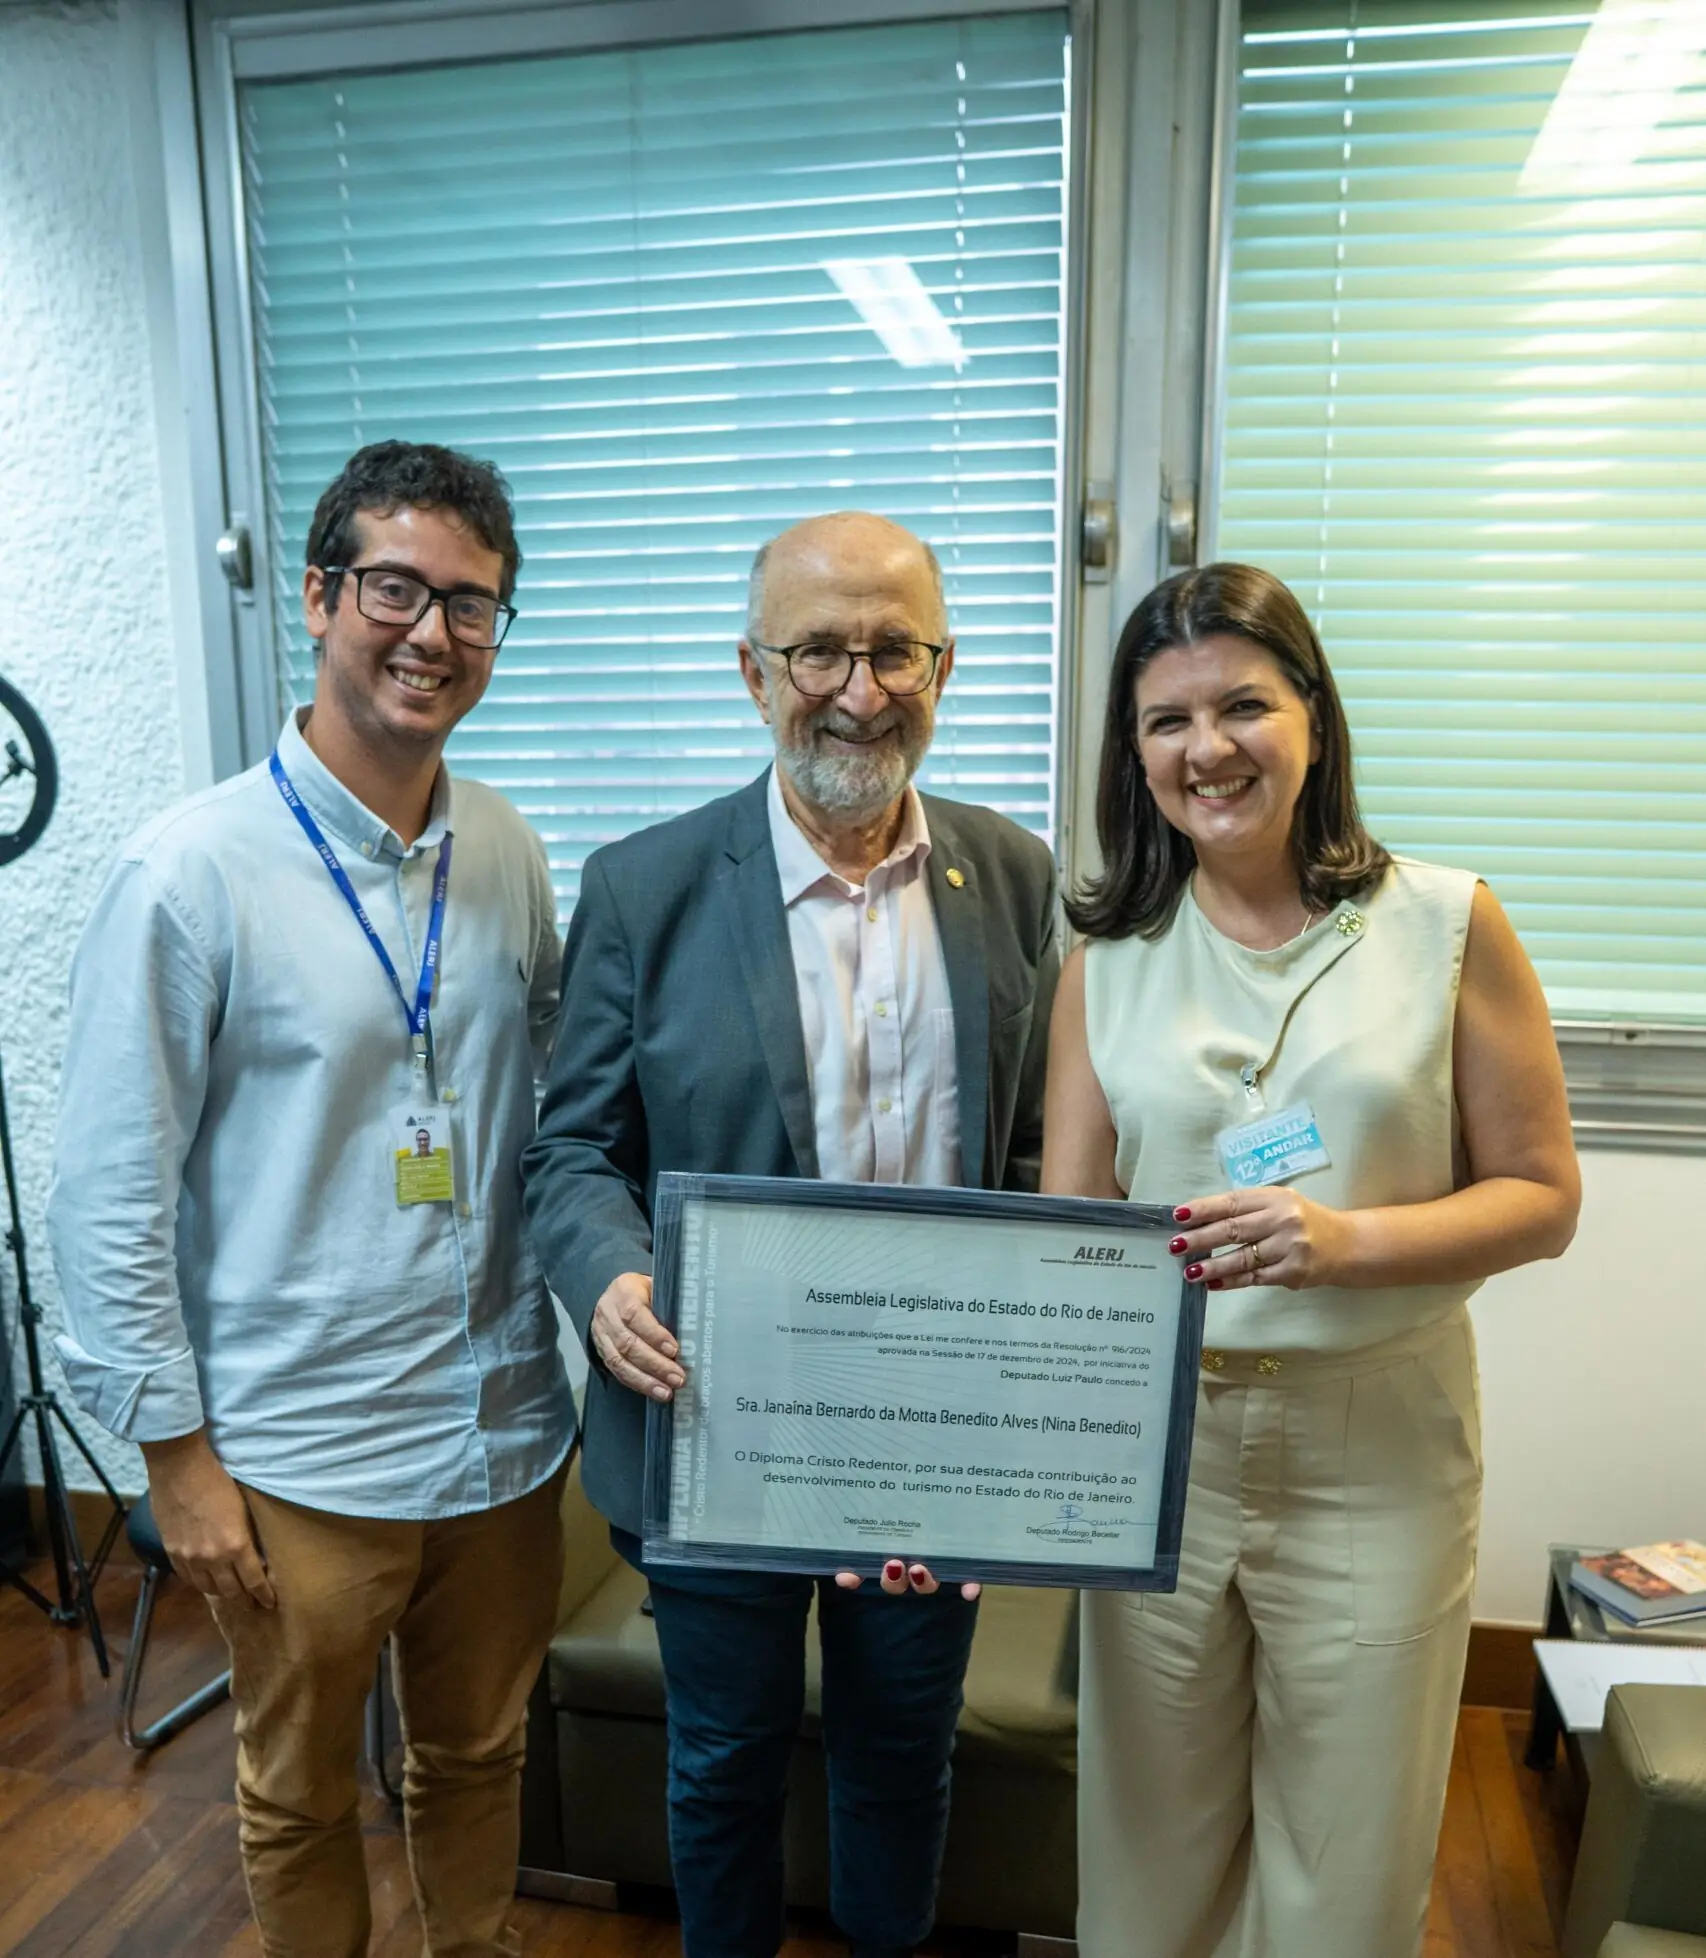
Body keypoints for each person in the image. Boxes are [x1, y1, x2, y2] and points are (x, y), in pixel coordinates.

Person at [48, 441, 576, 1958]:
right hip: (300, 1452)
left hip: (501, 1434)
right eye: (395, 589)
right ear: (319, 594)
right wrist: (175, 1459)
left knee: (480, 1759)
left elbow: (536, 1104)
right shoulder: (190, 871)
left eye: (472, 606)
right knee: (297, 1794)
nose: (431, 634)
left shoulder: (507, 850)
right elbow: (109, 1189)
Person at [521, 510, 1059, 1958]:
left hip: (929, 1440)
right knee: (722, 1760)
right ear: (751, 670)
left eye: (893, 649)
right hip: (715, 1423)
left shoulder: (1013, 879)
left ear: (946, 665)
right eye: (819, 647)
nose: (859, 688)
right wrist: (607, 1273)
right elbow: (573, 1147)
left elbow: (1030, 1152)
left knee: (900, 1755)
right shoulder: (645, 886)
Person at [1043, 562, 1579, 1958]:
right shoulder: (1103, 959)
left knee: (1344, 1861)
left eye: (1241, 705)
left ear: (1313, 720)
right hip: (1166, 1451)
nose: (1204, 747)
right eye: (1164, 720)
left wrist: (1346, 1242)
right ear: (1132, 752)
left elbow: (1540, 1196)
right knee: (1148, 1849)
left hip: (1378, 1442)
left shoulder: (1446, 922)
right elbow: (1068, 1242)